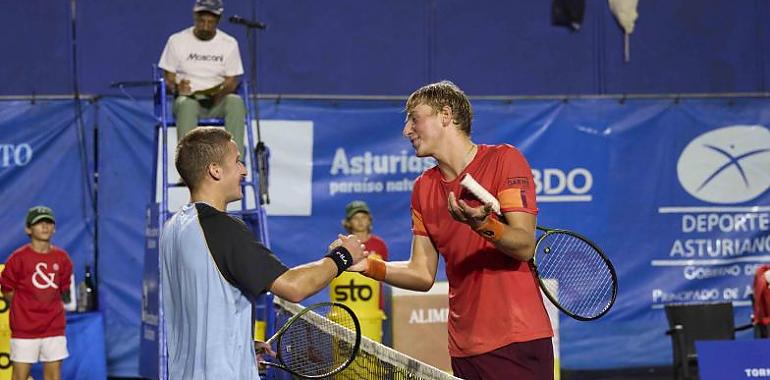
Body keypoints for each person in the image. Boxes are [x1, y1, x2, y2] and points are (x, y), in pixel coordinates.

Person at [357, 81, 554, 380]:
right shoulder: (423, 188)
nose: (406, 130)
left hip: (516, 340)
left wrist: (483, 224)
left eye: (414, 118)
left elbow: (525, 245)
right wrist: (369, 266)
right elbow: (422, 274)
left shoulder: (505, 160)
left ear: (445, 115)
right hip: (464, 350)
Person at [160, 126, 368, 379]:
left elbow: (200, 306)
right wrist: (343, 256)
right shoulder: (221, 228)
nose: (244, 170)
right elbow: (293, 287)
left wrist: (242, 349)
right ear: (215, 170)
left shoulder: (173, 228)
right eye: (237, 161)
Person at [158, 0, 247, 152]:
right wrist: (177, 87)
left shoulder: (229, 43)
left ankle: (235, 162)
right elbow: (168, 78)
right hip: (188, 99)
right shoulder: (177, 40)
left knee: (236, 101)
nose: (205, 27)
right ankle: (189, 166)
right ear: (195, 17)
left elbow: (232, 81)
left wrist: (220, 93)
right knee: (187, 104)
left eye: (210, 22)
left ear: (218, 21)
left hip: (217, 100)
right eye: (201, 21)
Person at [1, 206, 73, 380]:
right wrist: (24, 307)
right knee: (19, 376)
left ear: (54, 228)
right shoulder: (18, 259)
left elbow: (64, 289)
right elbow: (6, 288)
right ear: (28, 229)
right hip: (24, 329)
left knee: (54, 376)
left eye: (49, 223)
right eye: (39, 223)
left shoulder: (62, 258)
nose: (45, 227)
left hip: (54, 327)